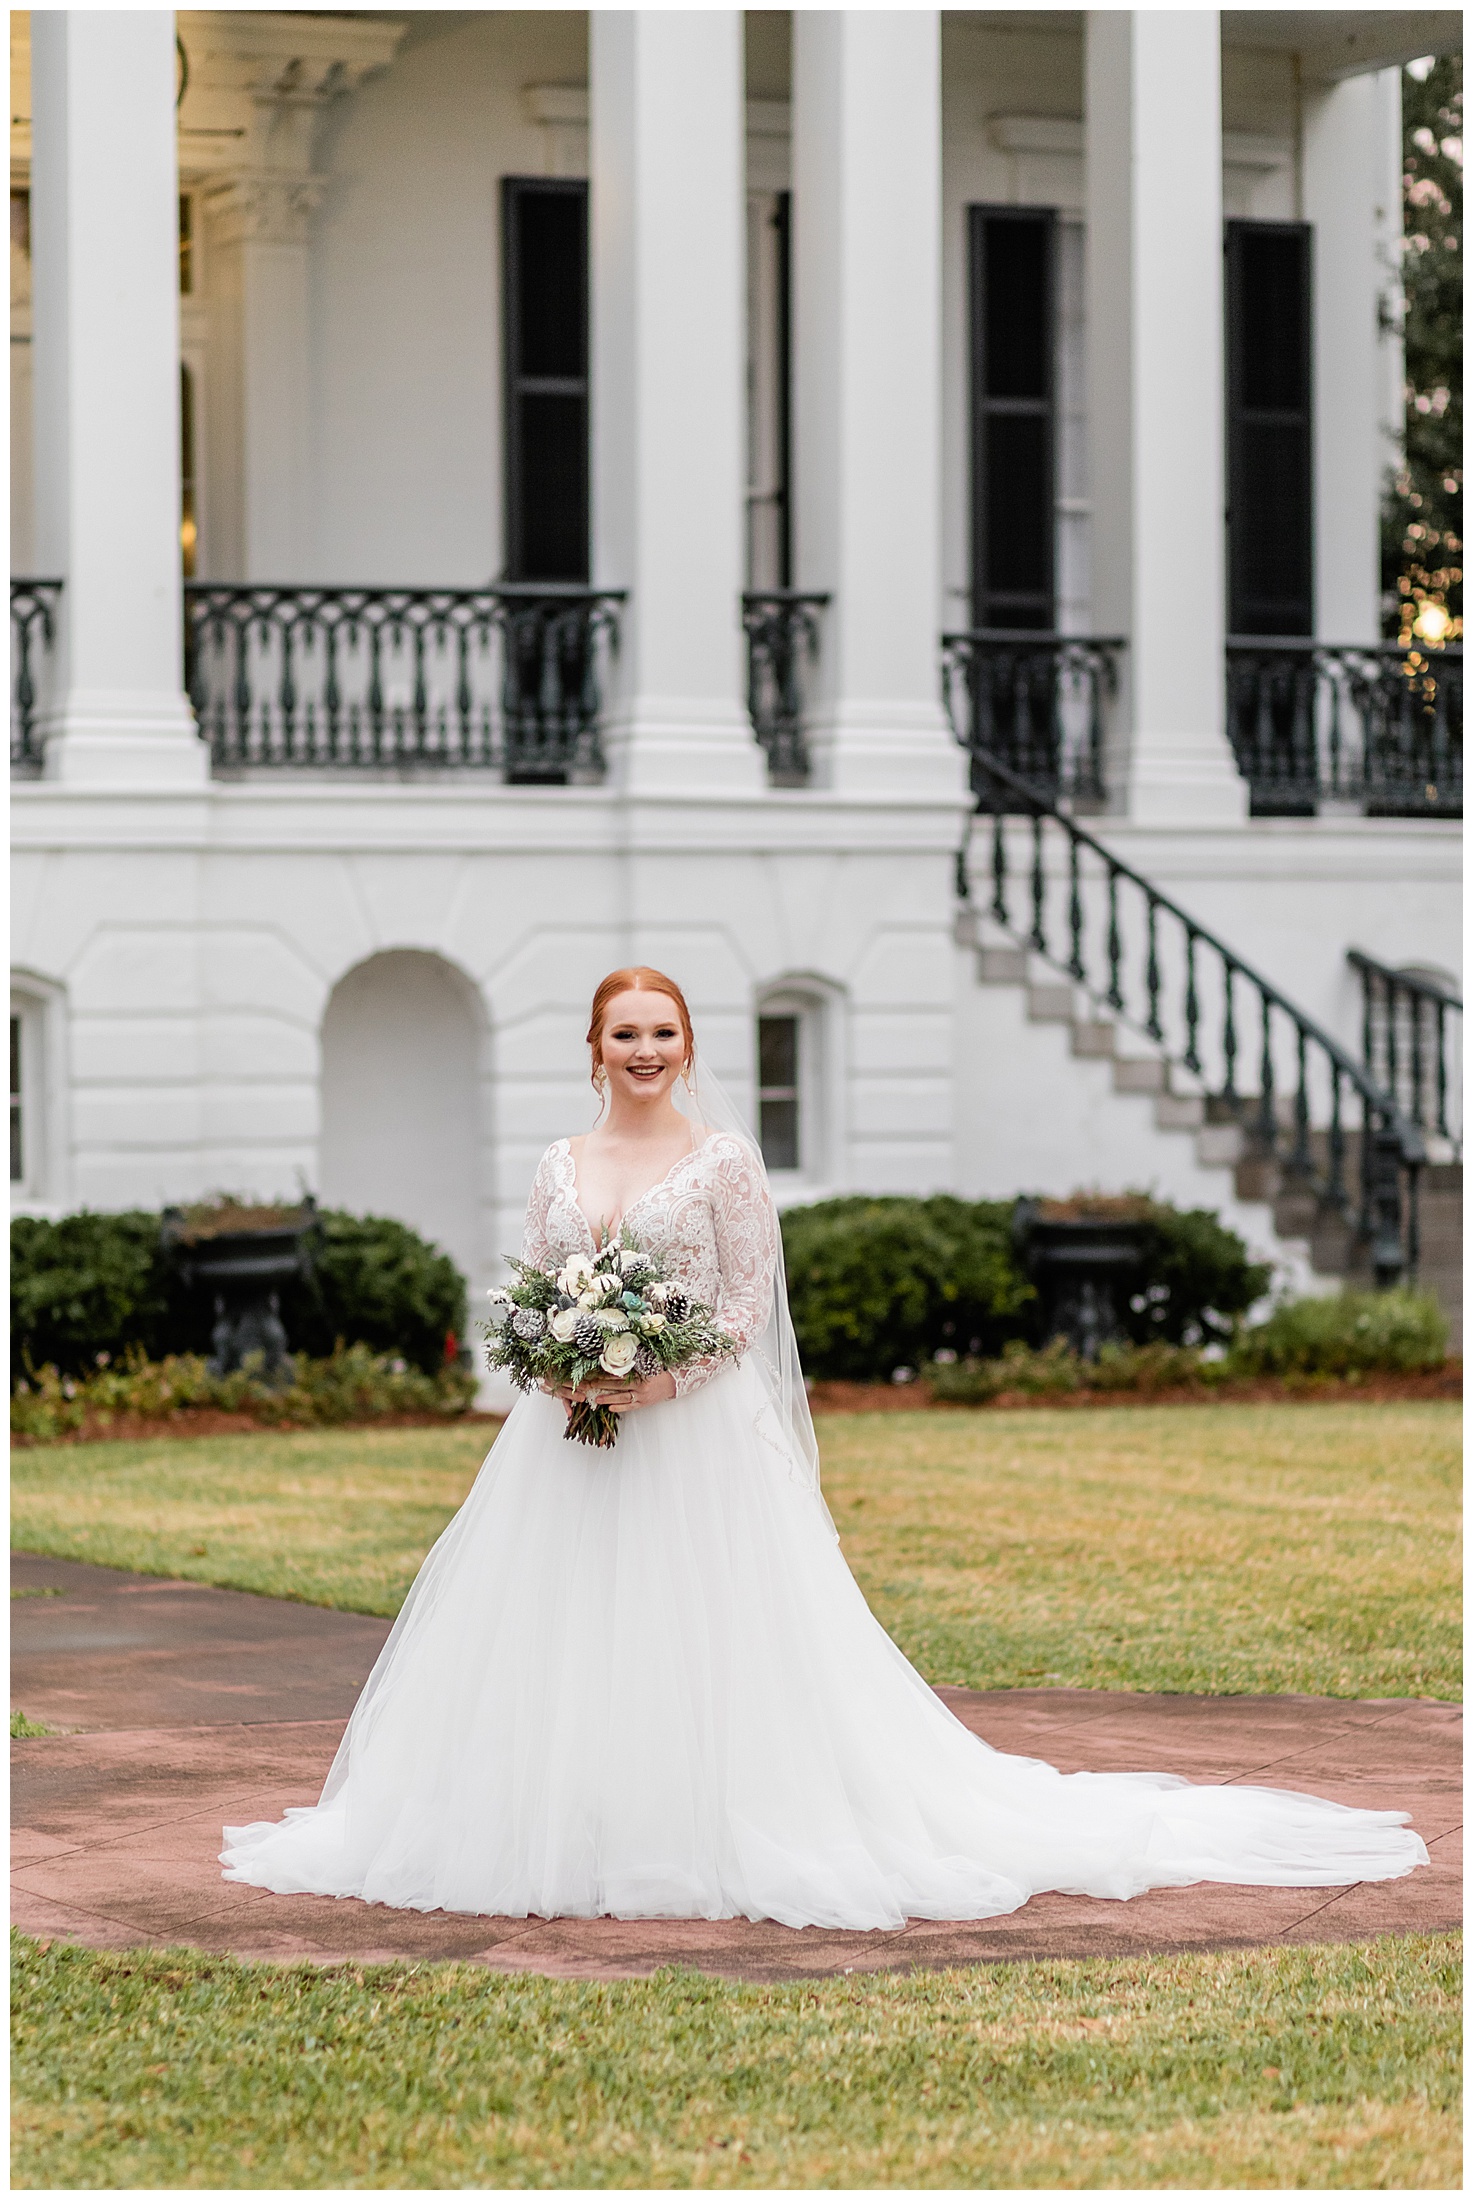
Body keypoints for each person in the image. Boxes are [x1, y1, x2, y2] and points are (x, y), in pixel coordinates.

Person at [221, 966, 1427, 1928]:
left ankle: (713, 1823)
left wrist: (658, 1373)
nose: (644, 1051)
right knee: (565, 1632)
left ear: (687, 1047)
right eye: (624, 1034)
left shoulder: (725, 1162)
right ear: (593, 1050)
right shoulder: (557, 1162)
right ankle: (569, 1821)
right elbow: (537, 1286)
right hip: (569, 1439)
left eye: (663, 1033)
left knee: (711, 1639)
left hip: (695, 1443)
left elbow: (748, 1305)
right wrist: (566, 1360)